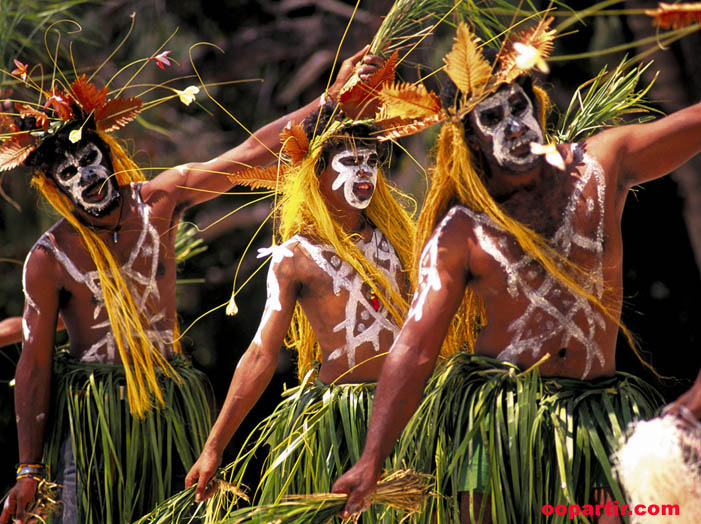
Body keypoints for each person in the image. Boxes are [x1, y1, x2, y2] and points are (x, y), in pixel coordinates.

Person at [330, 21, 700, 524]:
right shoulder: (461, 231)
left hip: (597, 418)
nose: (514, 125)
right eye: (492, 118)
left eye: (518, 108)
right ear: (471, 141)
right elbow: (415, 347)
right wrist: (372, 458)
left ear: (537, 108)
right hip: (499, 428)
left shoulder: (602, 166)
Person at [0, 47, 377, 524]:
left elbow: (247, 155)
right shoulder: (49, 258)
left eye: (90, 159)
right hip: (90, 424)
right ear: (56, 187)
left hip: (168, 407)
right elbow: (34, 364)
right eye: (70, 173)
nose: (88, 176)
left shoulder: (160, 201)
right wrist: (30, 467)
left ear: (108, 154)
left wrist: (331, 102)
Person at [181, 101, 416, 521]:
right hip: (343, 419)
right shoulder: (295, 257)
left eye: (370, 161)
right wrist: (213, 447)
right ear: (316, 173)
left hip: (410, 411)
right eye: (349, 161)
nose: (364, 172)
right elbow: (260, 355)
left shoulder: (402, 240)